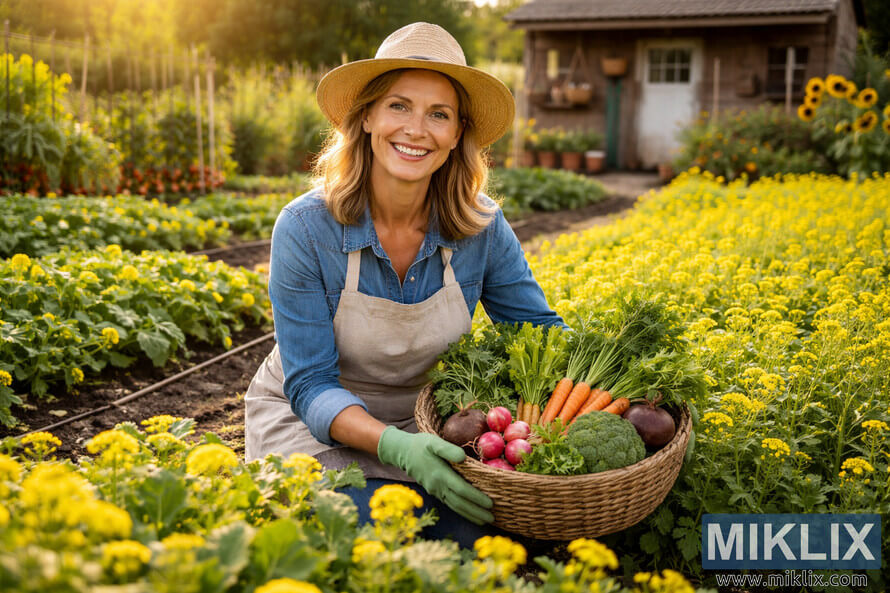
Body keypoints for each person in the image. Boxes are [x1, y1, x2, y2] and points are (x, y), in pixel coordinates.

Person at [244, 22, 565, 546]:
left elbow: (538, 330)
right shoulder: (306, 228)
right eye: (399, 106)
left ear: (457, 133)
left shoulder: (480, 227)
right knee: (364, 533)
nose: (417, 129)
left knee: (473, 542)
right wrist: (394, 448)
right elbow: (310, 383)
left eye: (438, 114)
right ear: (367, 116)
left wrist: (629, 391)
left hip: (428, 428)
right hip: (311, 422)